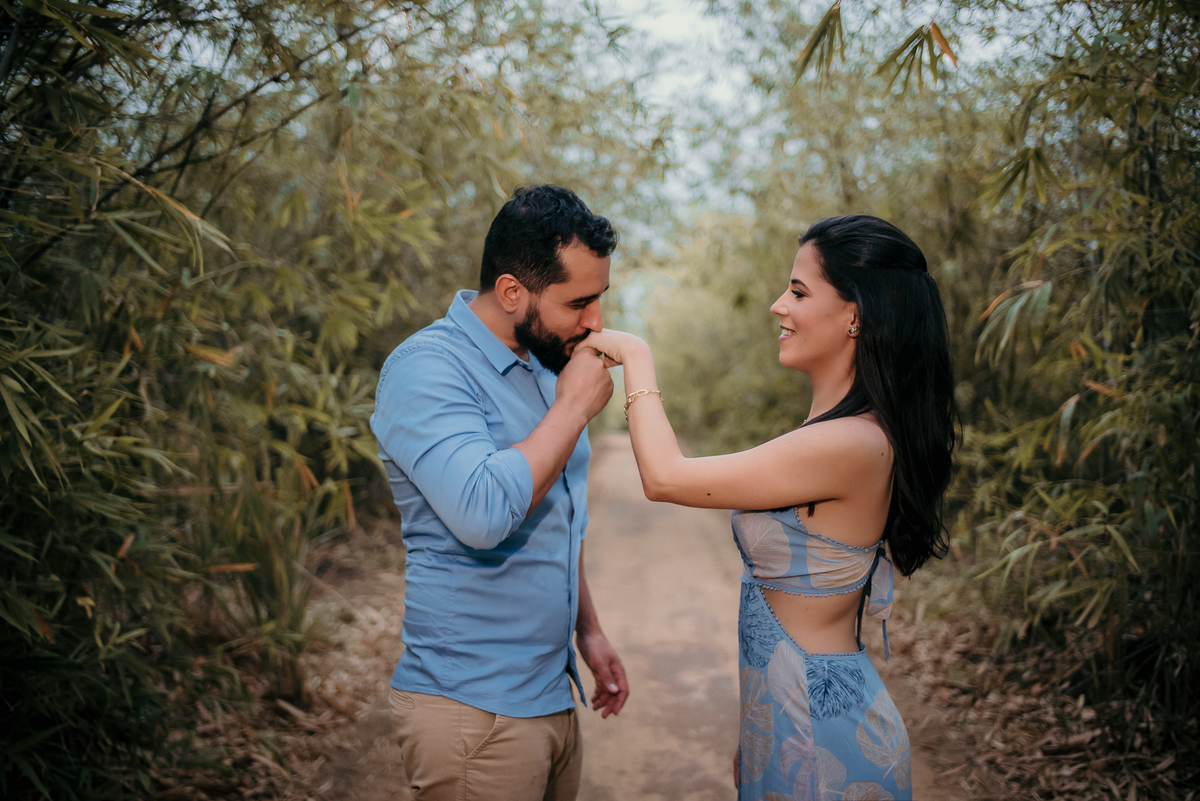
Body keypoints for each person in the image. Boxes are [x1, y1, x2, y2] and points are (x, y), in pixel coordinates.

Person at [580, 215, 956, 800]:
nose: (778, 306)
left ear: (856, 314)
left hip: (827, 732)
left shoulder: (850, 444)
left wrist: (636, 355)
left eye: (799, 292)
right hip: (786, 722)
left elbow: (665, 478)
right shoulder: (833, 431)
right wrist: (756, 733)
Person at [370, 185, 630, 801]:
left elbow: (562, 508)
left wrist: (586, 630)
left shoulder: (545, 362)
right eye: (580, 302)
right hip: (474, 715)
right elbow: (483, 513)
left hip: (551, 695)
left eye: (601, 299)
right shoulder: (425, 368)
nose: (595, 321)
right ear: (512, 291)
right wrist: (572, 409)